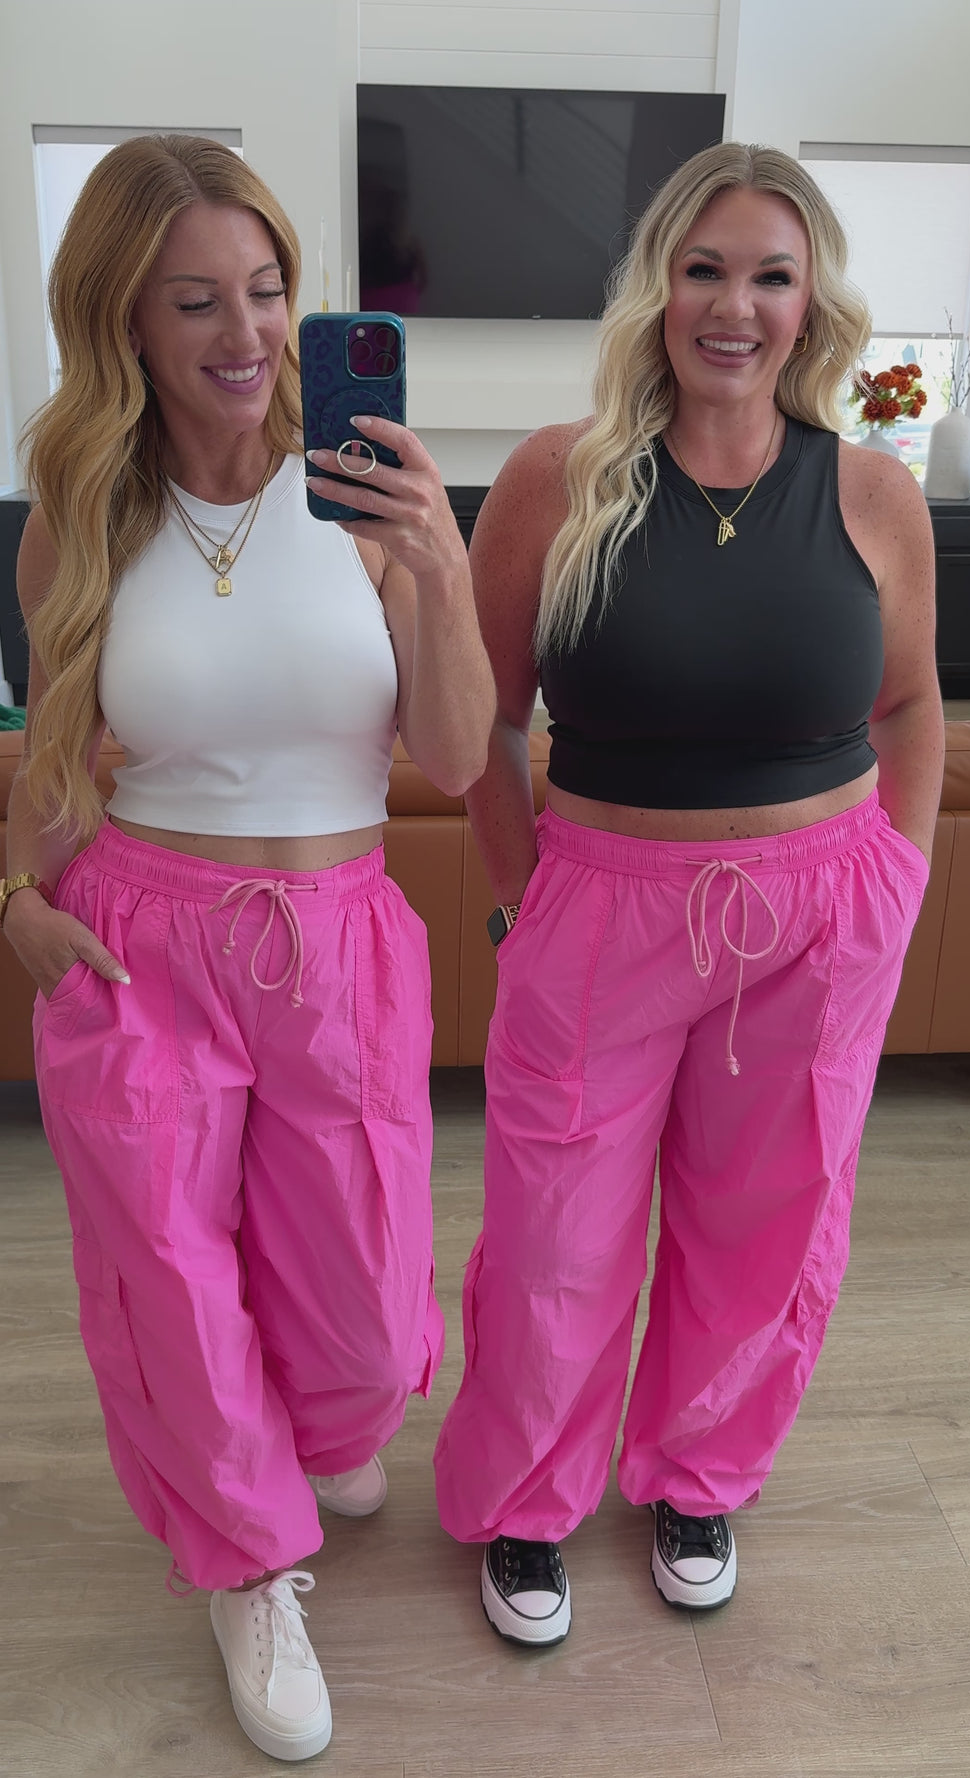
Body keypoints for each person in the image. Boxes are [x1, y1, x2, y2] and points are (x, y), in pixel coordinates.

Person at [1, 135, 493, 1759]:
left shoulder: (364, 495)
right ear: (126, 321)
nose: (247, 332)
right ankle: (246, 1565)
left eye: (268, 289)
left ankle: (322, 1430)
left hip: (340, 943)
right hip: (141, 943)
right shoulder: (81, 510)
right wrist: (16, 899)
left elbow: (458, 752)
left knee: (365, 1309)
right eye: (195, 299)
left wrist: (438, 564)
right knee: (171, 1277)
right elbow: (55, 756)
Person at [433, 141, 943, 1647]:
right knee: (556, 1229)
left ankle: (699, 1475)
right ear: (656, 287)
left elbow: (912, 705)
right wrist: (524, 895)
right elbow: (484, 725)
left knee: (768, 1222)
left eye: (771, 276)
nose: (735, 306)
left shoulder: (873, 490)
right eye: (704, 269)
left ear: (811, 303)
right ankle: (530, 1501)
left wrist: (898, 884)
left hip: (820, 915)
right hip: (601, 905)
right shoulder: (557, 474)